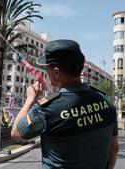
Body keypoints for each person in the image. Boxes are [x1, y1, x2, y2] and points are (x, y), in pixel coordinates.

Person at [11, 39, 119, 169]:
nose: (46, 72)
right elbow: (115, 148)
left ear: (56, 72)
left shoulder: (47, 109)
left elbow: (16, 133)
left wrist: (30, 99)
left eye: (47, 68)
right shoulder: (106, 102)